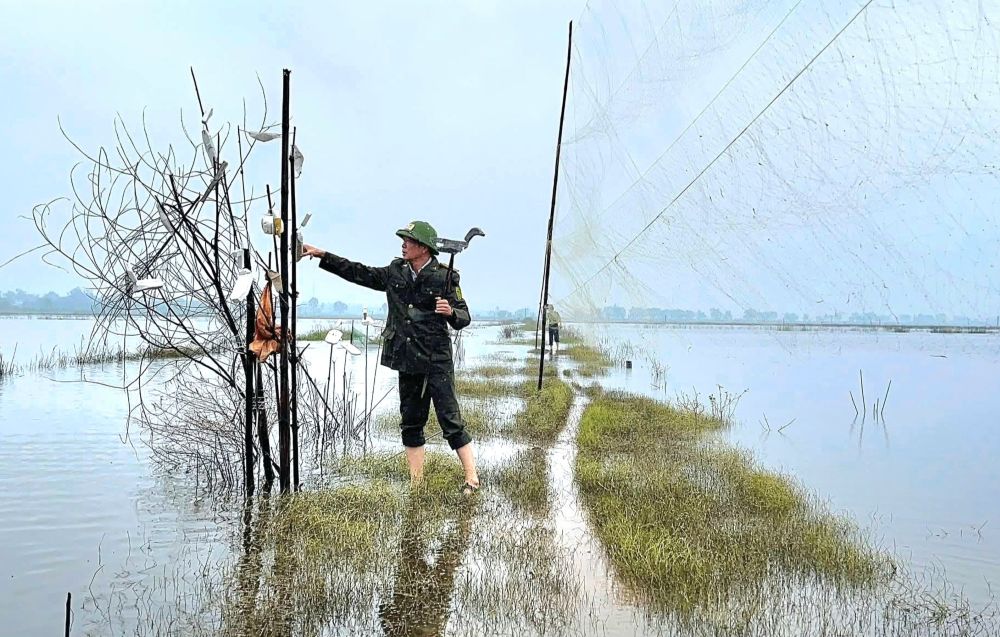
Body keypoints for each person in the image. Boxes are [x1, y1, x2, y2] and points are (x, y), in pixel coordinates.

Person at [302, 221, 480, 493]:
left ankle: (471, 479)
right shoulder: (395, 271)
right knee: (410, 422)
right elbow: (359, 272)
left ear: (423, 247)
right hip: (406, 358)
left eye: (409, 240)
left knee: (450, 420)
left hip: (436, 359)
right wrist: (324, 255)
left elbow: (464, 317)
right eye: (404, 240)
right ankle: (416, 483)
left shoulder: (445, 277)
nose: (403, 244)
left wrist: (450, 312)